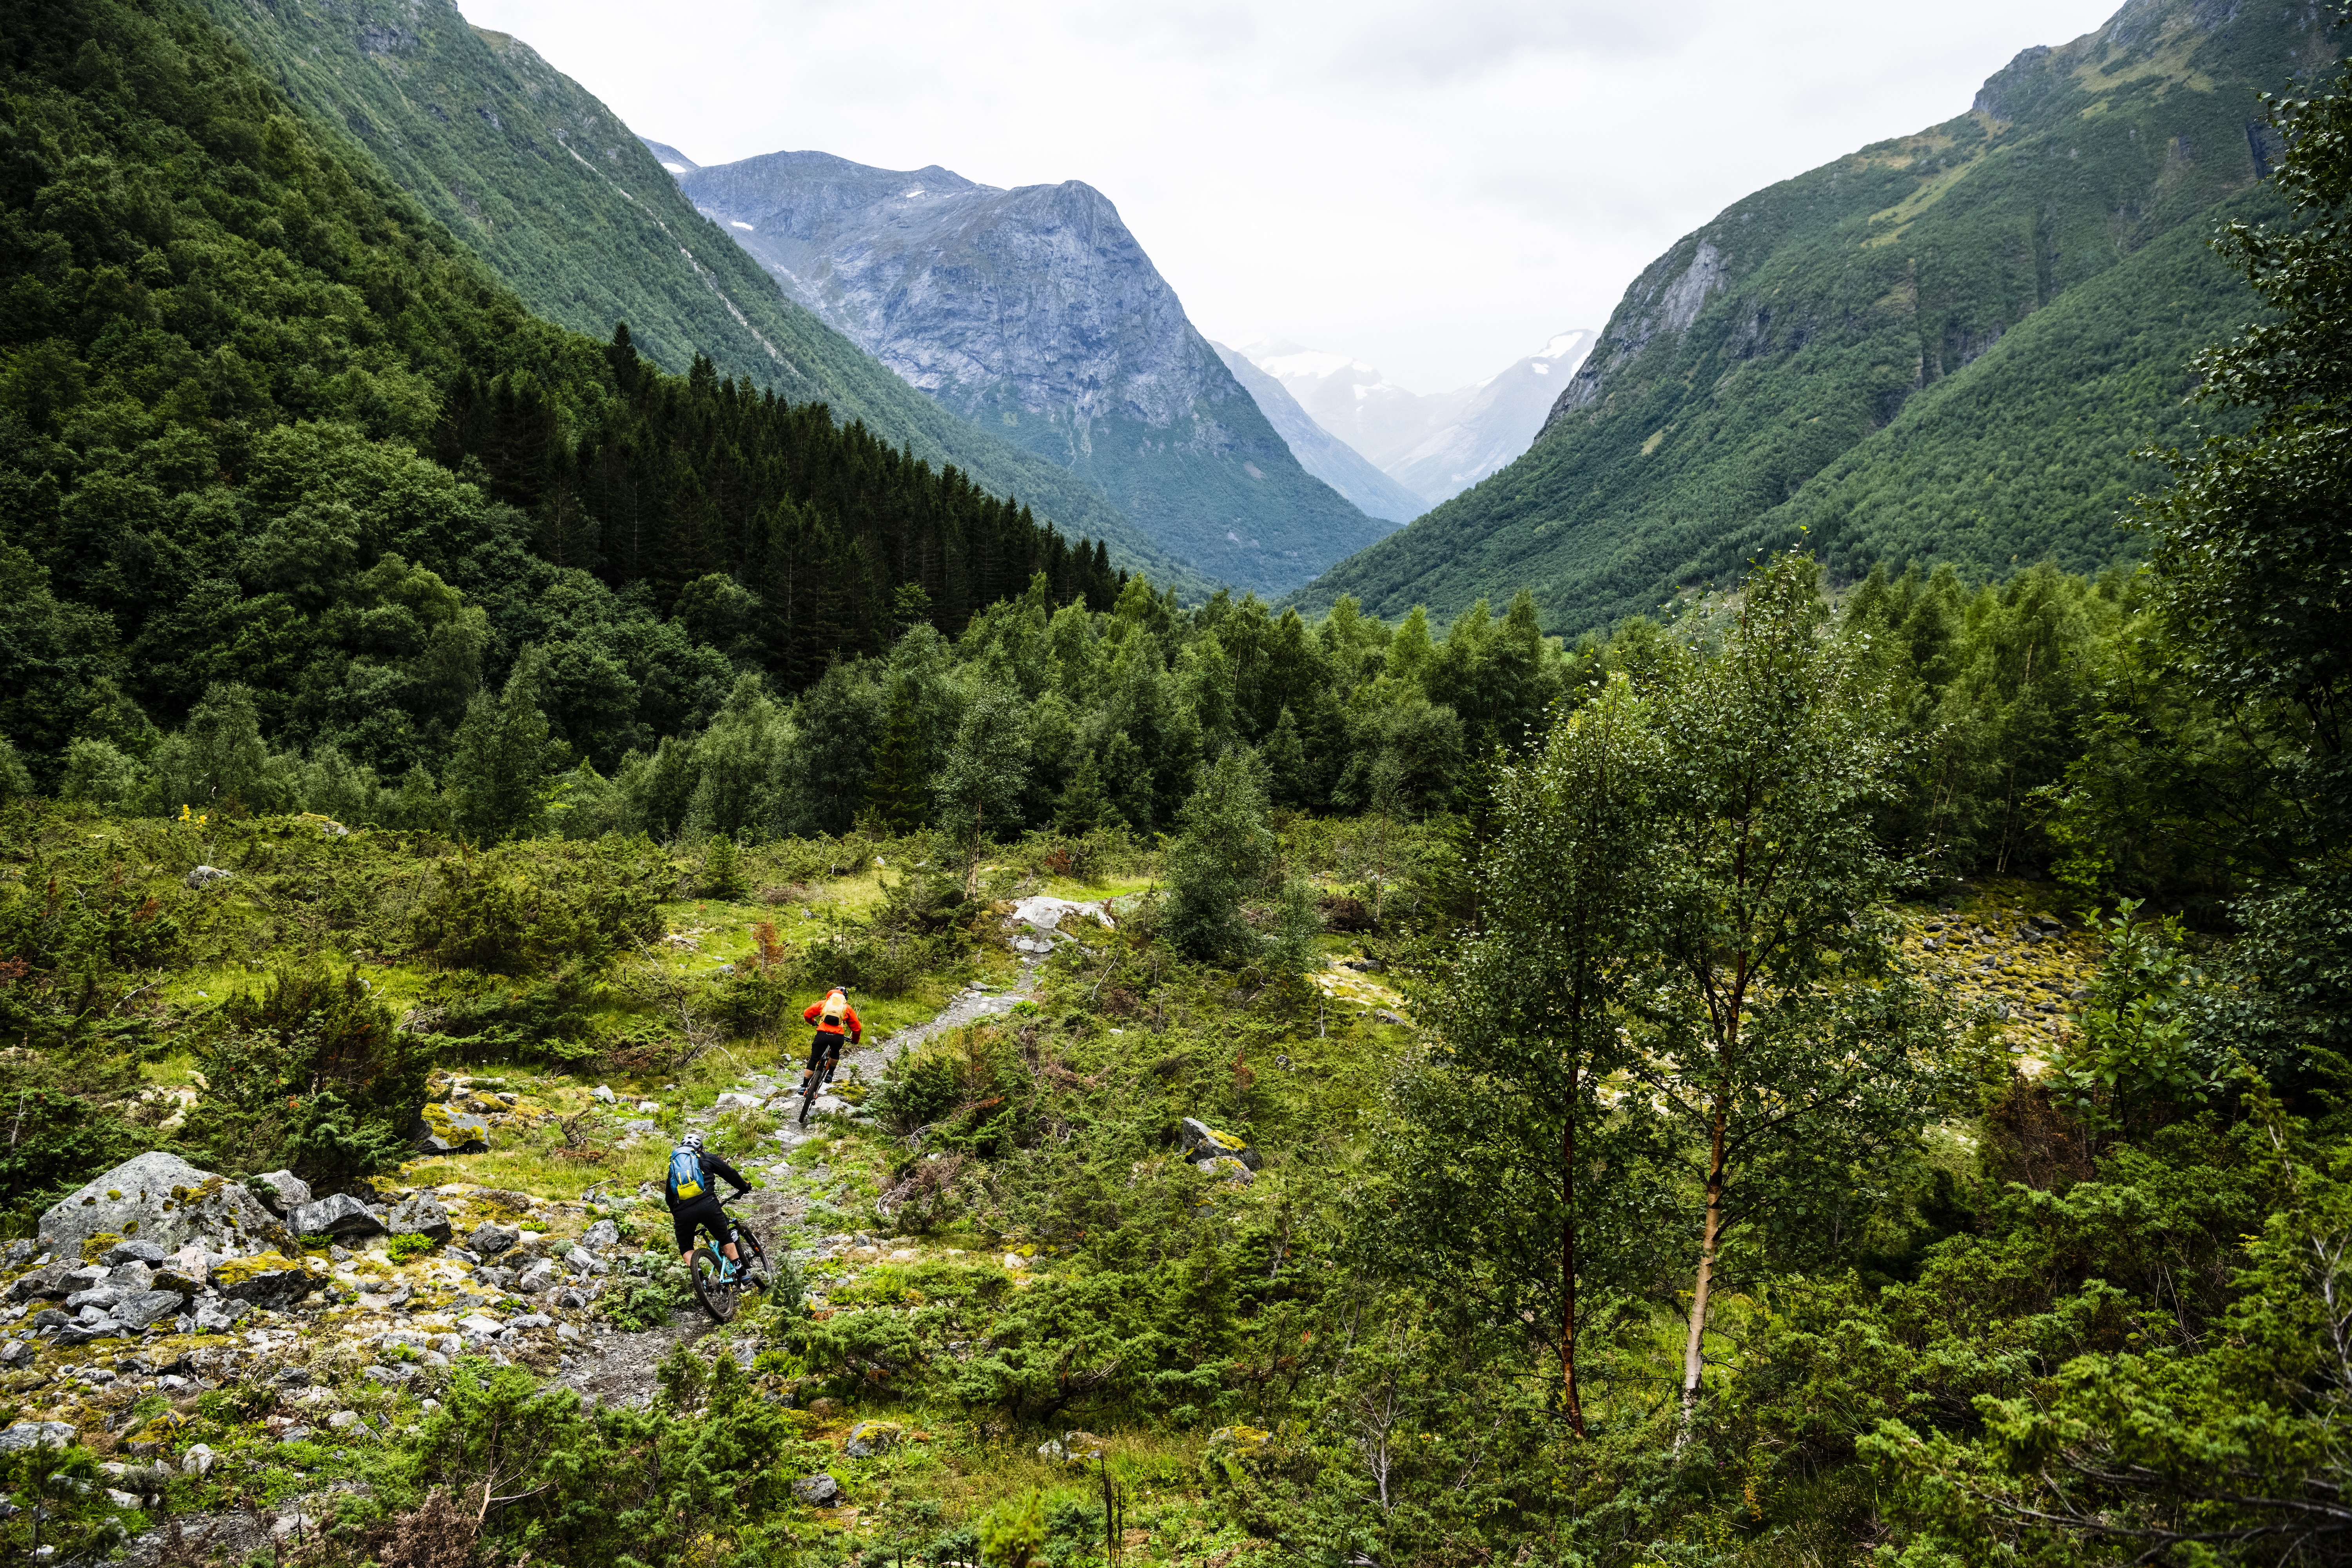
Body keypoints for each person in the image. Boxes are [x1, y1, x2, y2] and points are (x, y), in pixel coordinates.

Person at [666, 1130, 751, 1279]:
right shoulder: (707, 1158)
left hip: (682, 1212)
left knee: (686, 1247)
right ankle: (742, 1273)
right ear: (700, 1149)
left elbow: (669, 1197)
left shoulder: (675, 1168)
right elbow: (729, 1173)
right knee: (724, 1237)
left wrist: (679, 1216)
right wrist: (744, 1187)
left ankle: (701, 1279)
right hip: (708, 1206)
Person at [799, 984, 862, 1096]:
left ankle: (804, 1087)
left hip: (822, 1035)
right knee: (835, 1053)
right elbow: (857, 1028)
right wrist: (855, 1040)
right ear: (845, 998)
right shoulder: (847, 1008)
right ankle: (830, 1075)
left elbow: (807, 1014)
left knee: (814, 1060)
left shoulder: (824, 1004)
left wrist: (812, 1022)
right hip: (837, 1038)